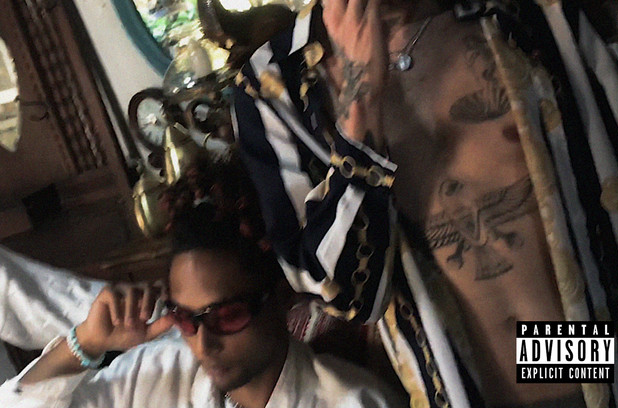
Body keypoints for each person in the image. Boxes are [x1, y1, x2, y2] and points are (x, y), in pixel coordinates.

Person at [232, 0, 618, 408]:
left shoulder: (535, 17)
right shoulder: (274, 88)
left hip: (602, 383)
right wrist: (362, 101)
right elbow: (350, 297)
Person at [0, 157, 405, 408]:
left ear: (281, 297)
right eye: (185, 319)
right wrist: (84, 345)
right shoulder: (160, 371)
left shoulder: (354, 402)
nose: (203, 344)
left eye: (226, 316)